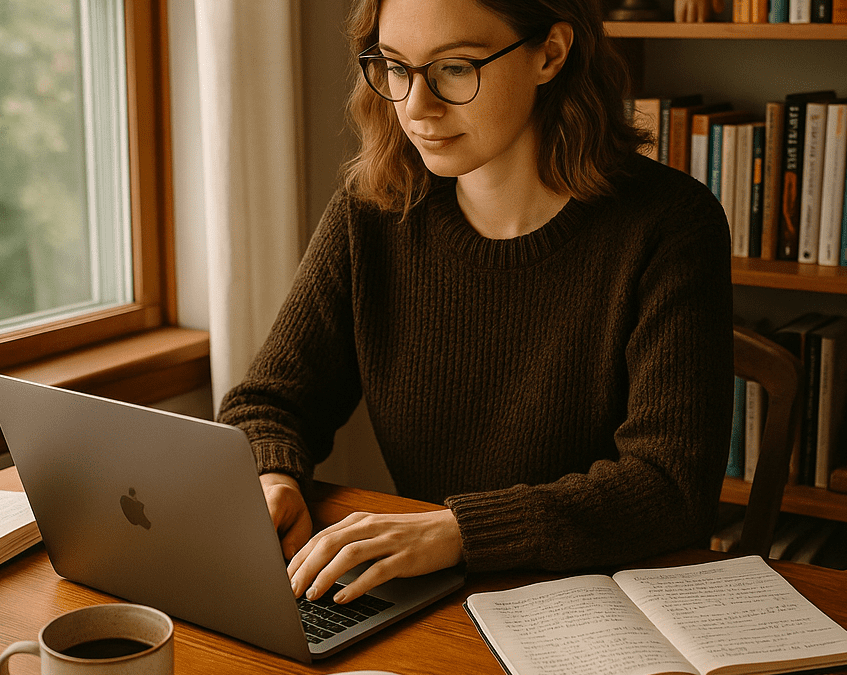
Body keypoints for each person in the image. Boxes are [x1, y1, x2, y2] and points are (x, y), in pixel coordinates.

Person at [217, 0, 734, 606]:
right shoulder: (372, 214)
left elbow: (669, 486)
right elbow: (268, 402)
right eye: (395, 66)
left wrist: (462, 531)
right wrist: (271, 474)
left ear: (551, 53)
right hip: (437, 598)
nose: (415, 106)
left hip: (609, 609)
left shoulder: (671, 224)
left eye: (456, 68)